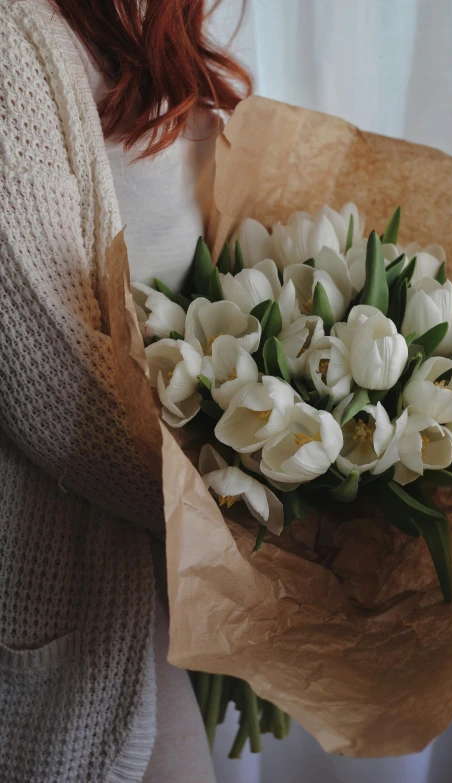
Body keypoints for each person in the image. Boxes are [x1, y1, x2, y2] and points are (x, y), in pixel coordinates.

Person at [0, 1, 251, 781]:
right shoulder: (13, 38)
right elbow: (49, 378)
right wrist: (254, 521)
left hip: (168, 568)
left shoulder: (172, 35)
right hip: (68, 570)